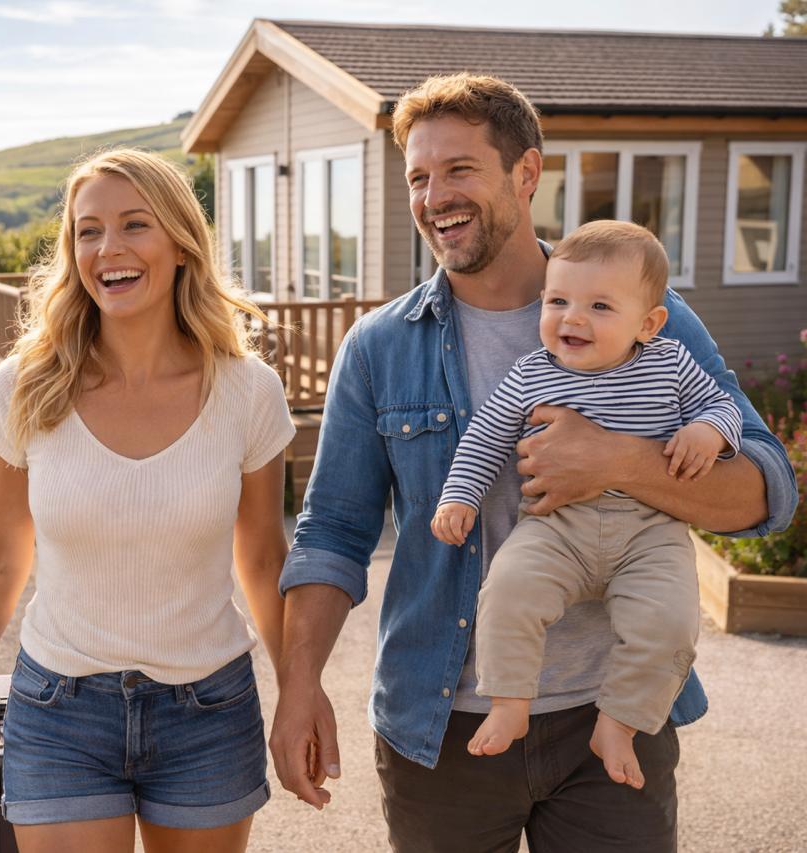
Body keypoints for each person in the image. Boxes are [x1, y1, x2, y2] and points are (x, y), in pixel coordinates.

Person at [268, 73, 797, 852]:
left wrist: (618, 460)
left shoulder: (647, 315)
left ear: (526, 173)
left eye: (459, 169)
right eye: (418, 177)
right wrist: (298, 683)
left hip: (610, 718)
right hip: (442, 725)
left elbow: (767, 489)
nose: (435, 197)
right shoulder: (380, 347)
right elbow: (333, 532)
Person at [0, 148, 294, 853]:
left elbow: (264, 557)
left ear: (181, 244)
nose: (108, 249)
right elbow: (1, 553)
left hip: (208, 710)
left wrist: (299, 692)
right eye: (87, 231)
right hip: (60, 708)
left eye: (134, 225)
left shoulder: (248, 391)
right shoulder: (27, 385)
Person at [430, 220, 743, 789]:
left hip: (650, 530)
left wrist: (709, 431)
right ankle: (509, 700)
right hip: (555, 526)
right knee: (507, 590)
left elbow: (724, 408)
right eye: (558, 301)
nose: (572, 318)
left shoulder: (670, 363)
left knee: (671, 624)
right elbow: (484, 438)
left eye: (599, 306)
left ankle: (619, 722)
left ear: (648, 324)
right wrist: (460, 495)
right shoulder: (531, 374)